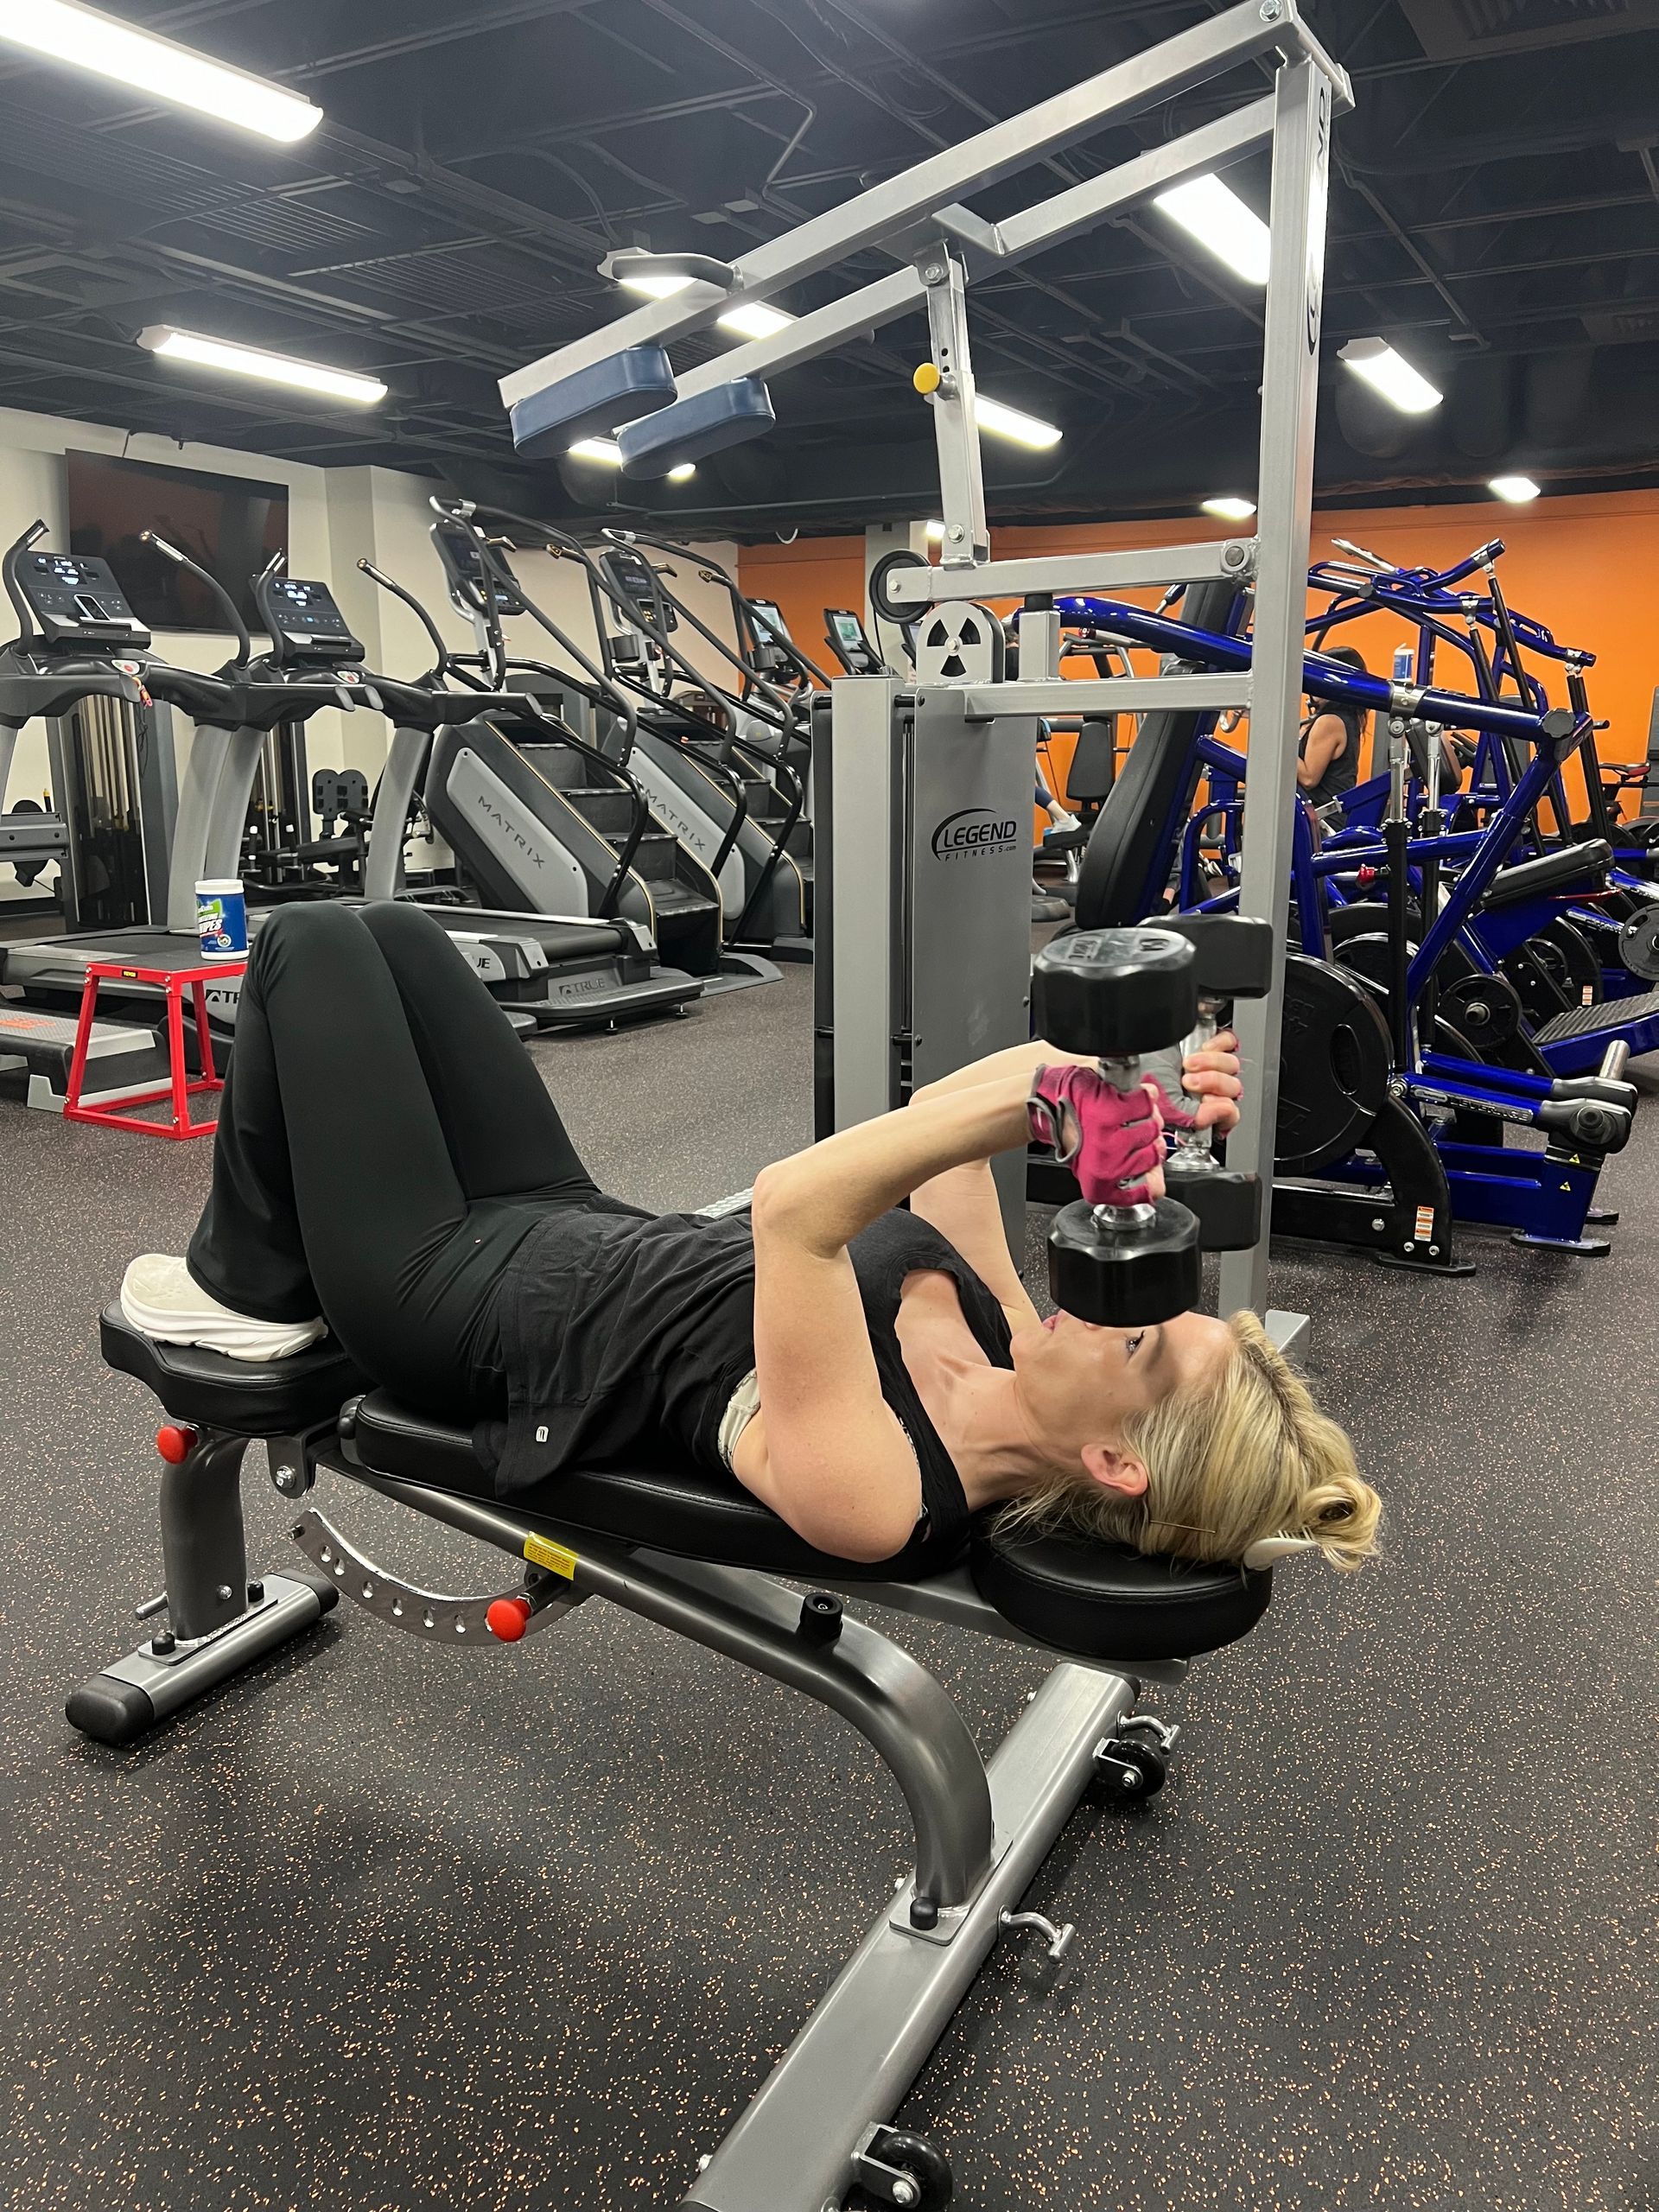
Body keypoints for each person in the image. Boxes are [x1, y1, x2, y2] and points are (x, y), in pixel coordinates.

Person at [120, 904, 1378, 1577]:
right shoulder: (1001, 1331)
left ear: (1114, 1461)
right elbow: (946, 1123)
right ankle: (275, 1267)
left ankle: (247, 1287)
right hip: (583, 1227)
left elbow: (797, 1208)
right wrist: (1120, 1074)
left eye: (1143, 1341)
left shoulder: (883, 1497)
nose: (1114, 1299)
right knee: (399, 936)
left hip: (456, 1302)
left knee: (307, 944)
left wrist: (1055, 1105)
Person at [1298, 644, 1370, 811]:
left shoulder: (1330, 721)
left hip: (1323, 824)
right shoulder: (1347, 718)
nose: (1315, 682)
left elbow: (1309, 778)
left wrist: (1276, 739)